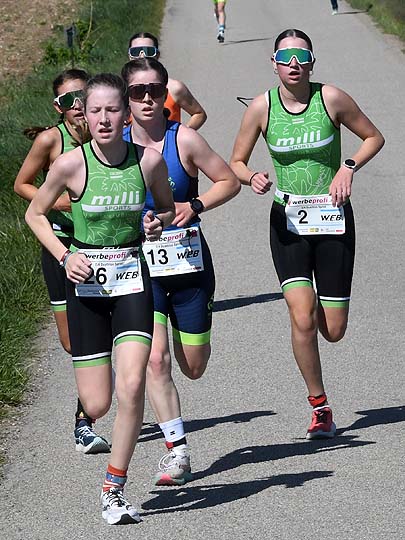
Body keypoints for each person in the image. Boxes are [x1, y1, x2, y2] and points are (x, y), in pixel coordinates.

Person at [25, 72, 175, 524]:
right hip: (86, 287)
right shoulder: (70, 165)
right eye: (96, 111)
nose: (104, 119)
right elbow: (34, 213)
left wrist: (156, 223)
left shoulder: (148, 162)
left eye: (113, 110)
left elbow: (166, 209)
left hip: (131, 281)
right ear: (85, 117)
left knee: (132, 386)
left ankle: (114, 487)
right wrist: (65, 255)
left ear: (126, 115)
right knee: (97, 404)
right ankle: (90, 417)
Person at [230, 29, 384, 439]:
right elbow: (237, 161)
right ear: (274, 63)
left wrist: (348, 167)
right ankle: (320, 406)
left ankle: (318, 323)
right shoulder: (261, 108)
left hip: (333, 218)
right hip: (289, 221)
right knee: (301, 314)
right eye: (285, 57)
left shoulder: (331, 98)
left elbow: (374, 137)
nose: (294, 63)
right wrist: (252, 177)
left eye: (302, 56)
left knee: (333, 330)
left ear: (312, 62)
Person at [121, 57, 240, 484]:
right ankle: (178, 452)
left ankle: (188, 335)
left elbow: (229, 180)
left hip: (189, 265)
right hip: (141, 269)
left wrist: (196, 204)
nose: (148, 98)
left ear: (165, 94)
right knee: (156, 360)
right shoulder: (113, 147)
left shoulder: (183, 139)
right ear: (126, 98)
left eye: (155, 90)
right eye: (138, 92)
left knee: (193, 366)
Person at [14, 69, 110, 455]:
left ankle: (84, 421)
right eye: (69, 100)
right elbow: (22, 183)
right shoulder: (51, 140)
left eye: (83, 96)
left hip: (101, 249)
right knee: (72, 342)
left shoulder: (108, 136)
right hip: (60, 248)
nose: (78, 105)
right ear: (59, 107)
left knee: (98, 333)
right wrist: (56, 202)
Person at [127, 32, 207, 129]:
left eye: (149, 51)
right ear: (129, 55)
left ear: (157, 55)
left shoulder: (174, 88)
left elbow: (199, 114)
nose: (142, 56)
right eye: (135, 52)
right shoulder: (120, 90)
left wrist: (178, 135)